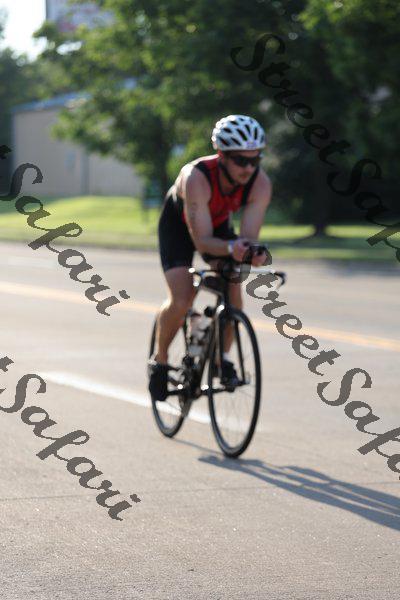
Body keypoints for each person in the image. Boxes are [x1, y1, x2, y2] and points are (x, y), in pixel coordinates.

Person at [148, 114, 272, 401]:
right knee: (181, 298)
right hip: (179, 227)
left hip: (216, 224)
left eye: (255, 160)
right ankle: (160, 360)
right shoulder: (197, 177)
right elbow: (202, 241)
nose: (249, 168)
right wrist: (231, 249)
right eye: (241, 160)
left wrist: (252, 252)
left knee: (234, 291)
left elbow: (248, 238)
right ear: (222, 155)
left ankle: (220, 359)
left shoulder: (260, 183)